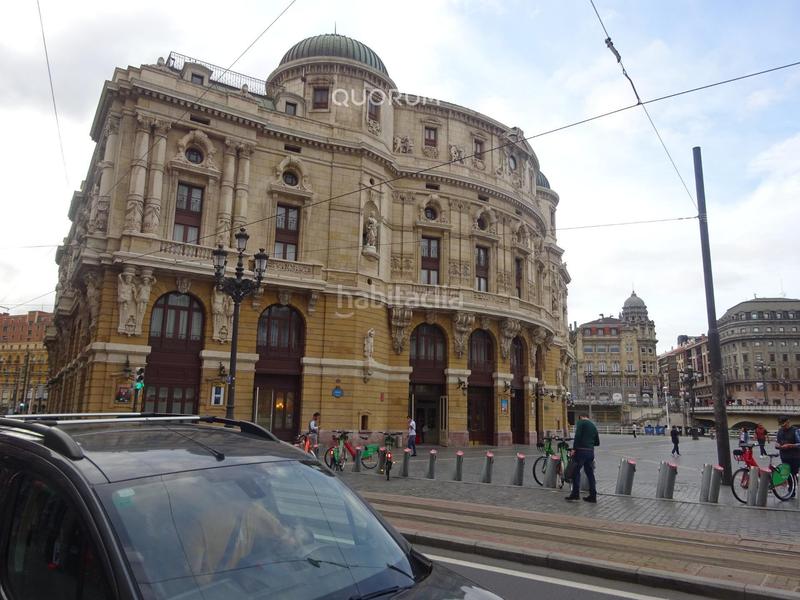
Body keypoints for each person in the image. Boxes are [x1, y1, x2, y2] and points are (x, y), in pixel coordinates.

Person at [565, 414, 600, 503]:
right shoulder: (593, 425)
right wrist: (589, 443)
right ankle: (593, 495)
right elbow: (597, 442)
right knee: (590, 473)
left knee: (575, 472)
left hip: (581, 451)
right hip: (590, 452)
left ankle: (575, 494)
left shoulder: (581, 423)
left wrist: (574, 449)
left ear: (581, 417)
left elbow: (577, 436)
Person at [775, 416, 799, 497]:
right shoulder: (780, 431)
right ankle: (791, 491)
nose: (782, 427)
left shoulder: (795, 430)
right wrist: (777, 445)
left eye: (784, 424)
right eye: (781, 425)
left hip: (795, 457)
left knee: (793, 473)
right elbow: (777, 443)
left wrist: (790, 445)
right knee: (787, 474)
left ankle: (792, 490)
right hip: (784, 456)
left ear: (788, 422)